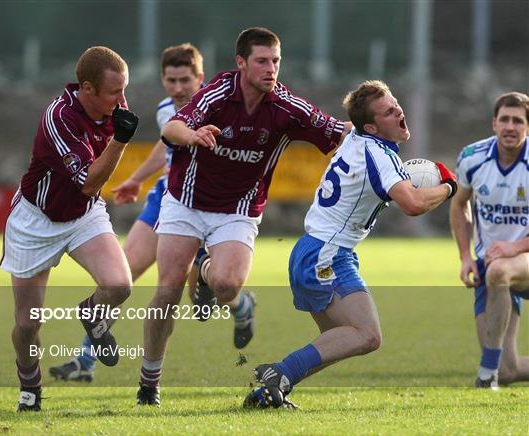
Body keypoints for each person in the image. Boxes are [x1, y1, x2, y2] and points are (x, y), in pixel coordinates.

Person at [136, 27, 352, 406]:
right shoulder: (218, 92)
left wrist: (375, 131)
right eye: (262, 61)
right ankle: (149, 382)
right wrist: (193, 135)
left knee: (227, 286)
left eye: (276, 61)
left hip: (237, 210)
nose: (271, 69)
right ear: (241, 63)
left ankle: (204, 270)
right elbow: (172, 127)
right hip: (185, 200)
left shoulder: (287, 107)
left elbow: (338, 131)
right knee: (168, 288)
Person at [244, 80, 458, 409]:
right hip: (326, 255)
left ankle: (268, 394)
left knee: (338, 341)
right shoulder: (377, 155)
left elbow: (350, 126)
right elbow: (413, 204)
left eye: (395, 103)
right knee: (367, 335)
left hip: (311, 251)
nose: (399, 110)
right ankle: (278, 374)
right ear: (371, 126)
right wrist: (448, 186)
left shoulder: (357, 136)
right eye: (389, 111)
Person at [47, 43, 215, 383]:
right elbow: (165, 146)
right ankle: (85, 361)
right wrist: (137, 178)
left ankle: (240, 305)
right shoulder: (167, 109)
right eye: (171, 80)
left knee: (214, 286)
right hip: (166, 200)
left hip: (209, 206)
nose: (178, 88)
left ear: (200, 78)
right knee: (121, 277)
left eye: (185, 80)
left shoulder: (218, 107)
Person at [0, 46, 139, 411]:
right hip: (36, 221)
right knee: (28, 325)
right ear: (88, 89)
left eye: (124, 90)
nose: (122, 101)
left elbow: (89, 195)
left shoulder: (112, 112)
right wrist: (120, 141)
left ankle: (93, 313)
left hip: (83, 216)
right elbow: (89, 182)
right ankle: (30, 387)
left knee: (119, 285)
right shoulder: (59, 118)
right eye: (114, 92)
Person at [449, 91, 529, 390]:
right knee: (507, 370)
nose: (511, 126)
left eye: (518, 121)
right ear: (494, 123)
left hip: (522, 258)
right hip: (489, 264)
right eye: (505, 119)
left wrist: (515, 247)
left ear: (527, 127)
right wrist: (466, 257)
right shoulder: (472, 158)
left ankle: (485, 375)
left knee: (500, 270)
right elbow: (459, 204)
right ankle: (495, 371)